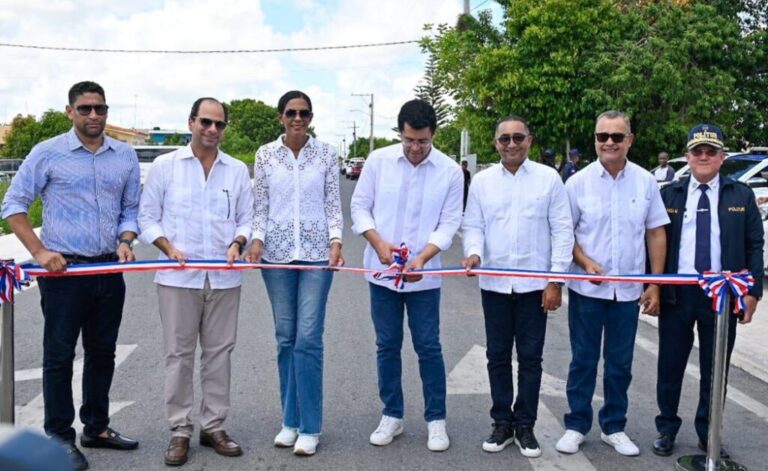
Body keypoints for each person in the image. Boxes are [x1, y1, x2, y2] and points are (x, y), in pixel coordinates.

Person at [1, 81, 141, 471]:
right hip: (64, 273)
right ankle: (60, 436)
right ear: (70, 111)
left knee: (103, 353)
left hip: (109, 268)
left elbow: (131, 209)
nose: (93, 115)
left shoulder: (125, 155)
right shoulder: (47, 153)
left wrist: (127, 238)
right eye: (85, 109)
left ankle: (96, 427)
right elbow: (12, 205)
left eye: (99, 108)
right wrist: (41, 252)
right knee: (60, 356)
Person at [138, 97, 254, 466]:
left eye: (219, 124)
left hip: (224, 278)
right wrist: (166, 246)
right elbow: (147, 218)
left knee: (220, 354)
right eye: (206, 122)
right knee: (179, 355)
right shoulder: (165, 167)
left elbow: (246, 220)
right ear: (191, 122)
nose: (212, 130)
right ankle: (180, 430)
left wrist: (238, 243)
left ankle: (214, 425)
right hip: (177, 278)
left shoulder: (236, 170)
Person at [350, 99, 463, 452]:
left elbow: (449, 223)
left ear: (433, 135)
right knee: (387, 345)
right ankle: (392, 415)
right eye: (410, 140)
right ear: (400, 132)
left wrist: (424, 258)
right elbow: (359, 207)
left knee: (428, 346)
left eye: (423, 141)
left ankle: (436, 419)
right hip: (381, 274)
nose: (415, 148)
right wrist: (379, 244)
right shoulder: (379, 162)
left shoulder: (449, 171)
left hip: (424, 278)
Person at [555, 110, 669, 457]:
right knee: (583, 361)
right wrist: (584, 261)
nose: (608, 143)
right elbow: (565, 233)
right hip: (587, 290)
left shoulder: (646, 182)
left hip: (628, 291)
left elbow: (655, 232)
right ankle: (576, 424)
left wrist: (655, 284)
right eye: (602, 136)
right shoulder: (577, 183)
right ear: (594, 140)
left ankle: (614, 426)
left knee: (620, 363)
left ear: (629, 141)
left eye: (616, 137)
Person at [462, 116, 573, 458]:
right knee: (496, 356)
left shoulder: (548, 179)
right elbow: (473, 225)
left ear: (530, 140)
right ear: (496, 143)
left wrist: (555, 281)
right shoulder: (482, 182)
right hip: (494, 284)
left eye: (518, 138)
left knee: (530, 358)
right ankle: (501, 423)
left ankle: (525, 425)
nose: (512, 144)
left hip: (533, 287)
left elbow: (562, 231)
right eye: (505, 139)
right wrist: (474, 253)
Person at [652, 125, 763, 458]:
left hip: (722, 297)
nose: (703, 157)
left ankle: (708, 432)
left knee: (716, 369)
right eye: (697, 151)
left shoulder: (740, 195)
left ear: (722, 157)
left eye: (710, 152)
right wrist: (653, 285)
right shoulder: (669, 193)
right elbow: (654, 240)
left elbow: (755, 245)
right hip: (678, 293)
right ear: (687, 156)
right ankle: (666, 428)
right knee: (670, 365)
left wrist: (752, 292)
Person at [245, 90, 343, 456]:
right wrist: (256, 241)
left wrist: (336, 241)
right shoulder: (266, 155)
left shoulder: (326, 154)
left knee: (308, 338)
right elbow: (260, 206)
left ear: (311, 117)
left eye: (304, 113)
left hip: (317, 256)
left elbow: (333, 202)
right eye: (291, 113)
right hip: (276, 255)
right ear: (280, 117)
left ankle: (311, 427)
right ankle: (290, 421)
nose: (297, 119)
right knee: (285, 337)